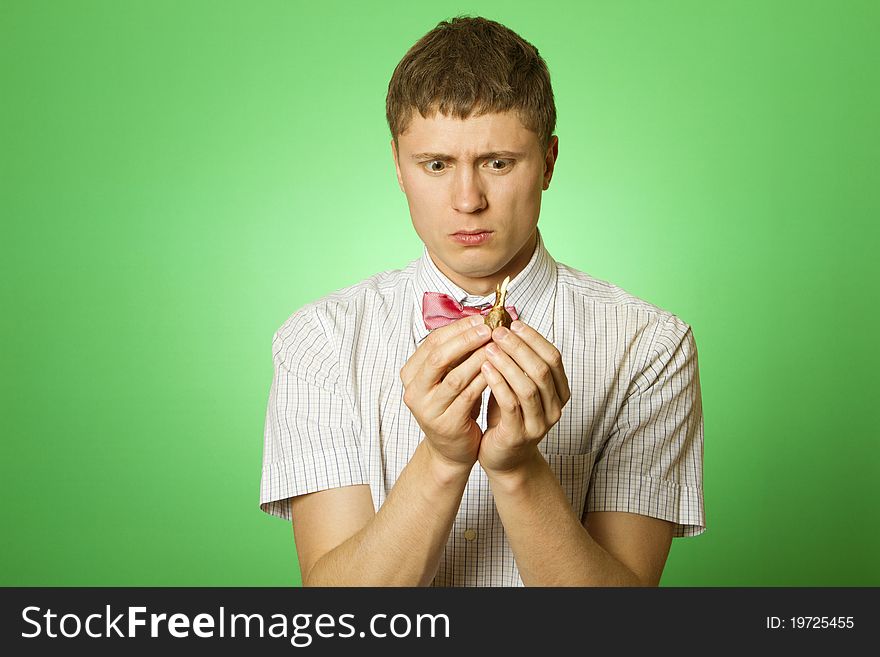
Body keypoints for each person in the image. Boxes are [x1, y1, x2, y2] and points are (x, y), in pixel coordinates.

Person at [259, 15, 705, 587]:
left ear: (548, 161)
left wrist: (517, 470)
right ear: (398, 166)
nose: (468, 200)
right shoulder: (318, 340)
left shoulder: (651, 347)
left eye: (498, 162)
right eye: (437, 165)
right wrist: (443, 459)